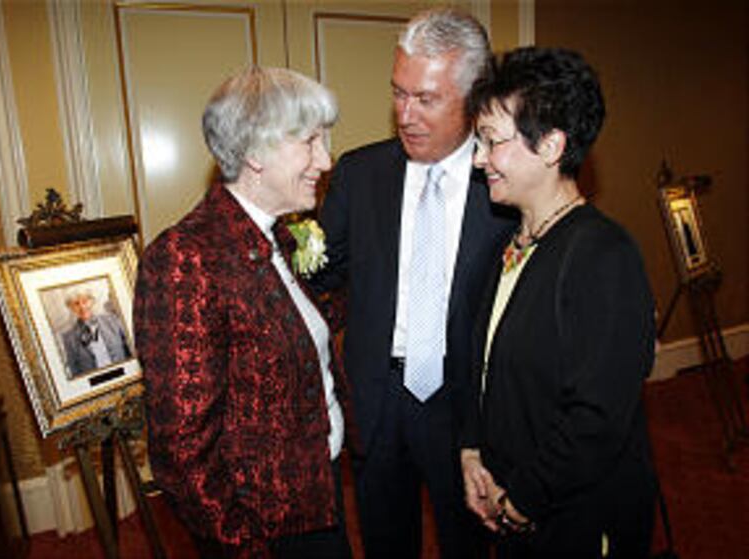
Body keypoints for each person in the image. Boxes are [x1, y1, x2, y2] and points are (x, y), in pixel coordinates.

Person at [310, 8, 515, 558]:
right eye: (398, 93)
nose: (405, 115)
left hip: (467, 407)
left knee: (470, 545)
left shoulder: (505, 184)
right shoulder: (360, 173)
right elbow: (319, 274)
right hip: (377, 400)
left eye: (426, 99)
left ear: (474, 98)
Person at [133, 66, 353, 558]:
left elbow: (295, 335)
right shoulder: (186, 259)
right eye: (311, 142)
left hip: (317, 490)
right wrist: (242, 546)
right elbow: (182, 450)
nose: (325, 160)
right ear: (255, 152)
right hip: (266, 528)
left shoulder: (279, 235)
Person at [459, 47, 658, 558]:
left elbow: (595, 419)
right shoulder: (514, 240)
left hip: (575, 520)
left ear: (550, 146)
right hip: (516, 506)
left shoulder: (604, 256)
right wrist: (473, 451)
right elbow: (486, 366)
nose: (479, 160)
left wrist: (521, 501)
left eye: (492, 142)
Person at [62, 287, 131, 376]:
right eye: (76, 304)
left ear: (92, 302)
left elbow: (129, 349)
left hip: (124, 374)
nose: (82, 307)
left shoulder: (112, 320)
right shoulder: (69, 338)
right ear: (71, 308)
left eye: (85, 301)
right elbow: (74, 370)